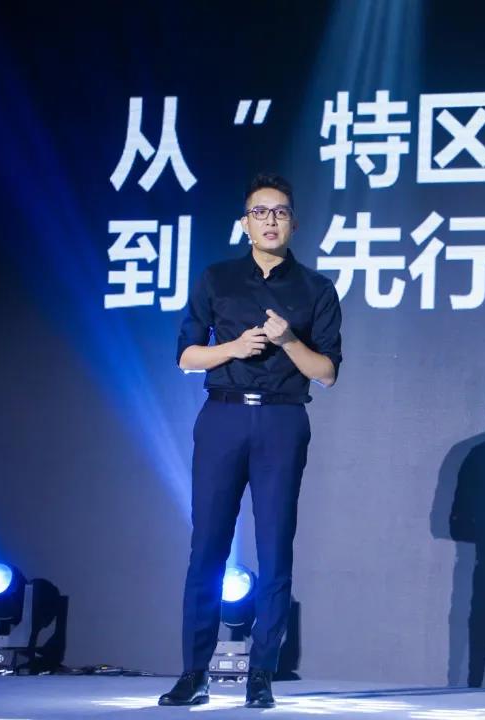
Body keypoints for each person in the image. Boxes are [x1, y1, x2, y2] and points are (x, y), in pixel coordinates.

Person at [159, 173, 342, 708]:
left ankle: (261, 673)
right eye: (260, 212)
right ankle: (194, 673)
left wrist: (289, 340)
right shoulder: (217, 278)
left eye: (280, 212)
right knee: (207, 547)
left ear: (294, 223)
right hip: (223, 416)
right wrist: (233, 348)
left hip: (283, 420)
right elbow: (186, 355)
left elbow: (327, 373)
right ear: (245, 223)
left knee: (275, 546)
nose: (270, 220)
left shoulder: (316, 288)